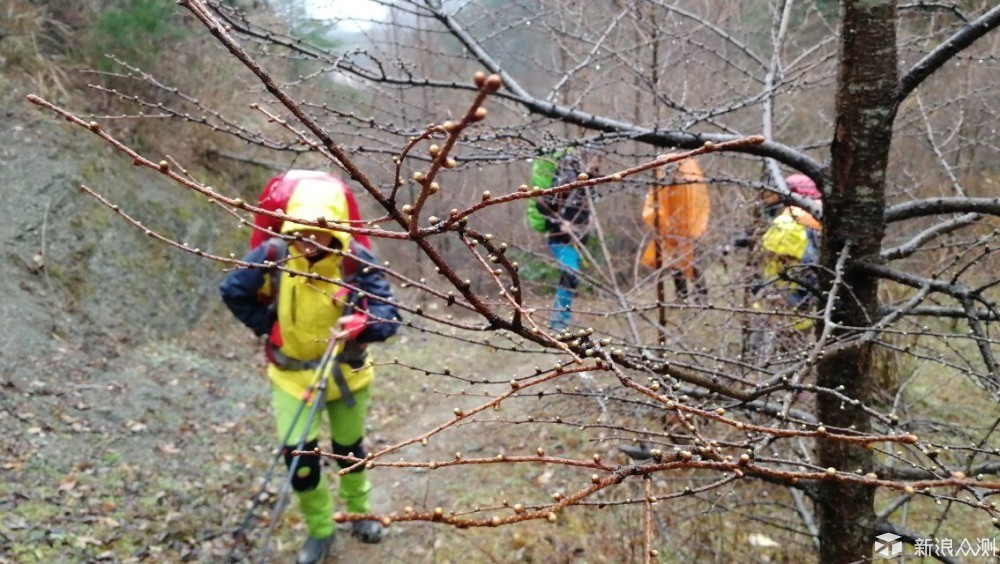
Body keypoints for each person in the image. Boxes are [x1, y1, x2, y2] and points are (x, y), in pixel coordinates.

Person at [220, 178, 399, 564]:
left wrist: (363, 324)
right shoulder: (274, 255)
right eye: (300, 234)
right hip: (291, 376)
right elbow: (232, 290)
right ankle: (321, 530)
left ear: (335, 231)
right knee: (299, 459)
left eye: (318, 234)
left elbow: (389, 315)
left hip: (348, 375)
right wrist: (269, 327)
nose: (307, 243)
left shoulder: (356, 261)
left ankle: (360, 514)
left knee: (349, 451)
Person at [533, 149, 600, 331]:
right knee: (570, 276)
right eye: (596, 159)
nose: (598, 164)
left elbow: (586, 206)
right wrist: (561, 222)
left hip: (579, 241)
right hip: (560, 239)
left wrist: (590, 219)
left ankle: (561, 320)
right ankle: (558, 323)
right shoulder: (567, 180)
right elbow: (541, 202)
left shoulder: (590, 181)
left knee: (570, 279)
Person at [640, 157, 711, 301]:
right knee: (676, 265)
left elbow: (698, 203)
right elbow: (655, 203)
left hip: (689, 230)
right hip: (671, 231)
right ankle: (682, 296)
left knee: (693, 262)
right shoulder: (663, 182)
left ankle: (701, 295)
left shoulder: (689, 177)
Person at [758, 173, 823, 328]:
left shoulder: (787, 224)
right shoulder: (821, 222)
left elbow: (769, 254)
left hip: (783, 310)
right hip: (805, 313)